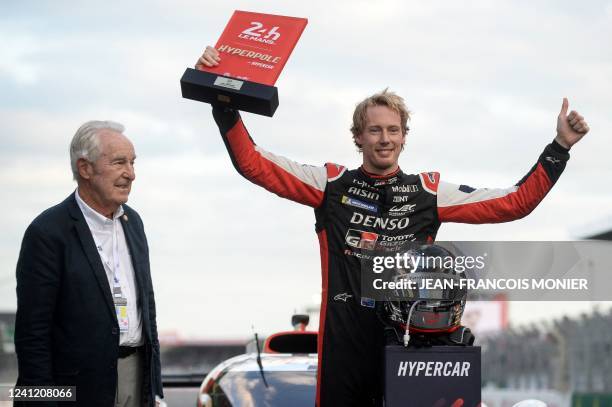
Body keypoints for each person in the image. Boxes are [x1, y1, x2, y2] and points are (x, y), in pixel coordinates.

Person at [199, 46, 589, 406]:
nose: (384, 139)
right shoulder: (330, 185)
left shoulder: (429, 192)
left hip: (411, 347)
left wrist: (559, 148)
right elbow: (253, 163)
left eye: (393, 130)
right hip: (345, 347)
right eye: (374, 130)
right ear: (357, 137)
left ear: (404, 137)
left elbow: (513, 203)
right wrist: (225, 105)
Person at [14, 121, 163, 407]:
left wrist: (153, 387)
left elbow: (147, 305)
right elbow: (32, 333)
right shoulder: (47, 232)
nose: (130, 174)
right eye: (119, 162)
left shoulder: (135, 223)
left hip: (136, 375)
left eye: (132, 163)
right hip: (74, 388)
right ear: (85, 168)